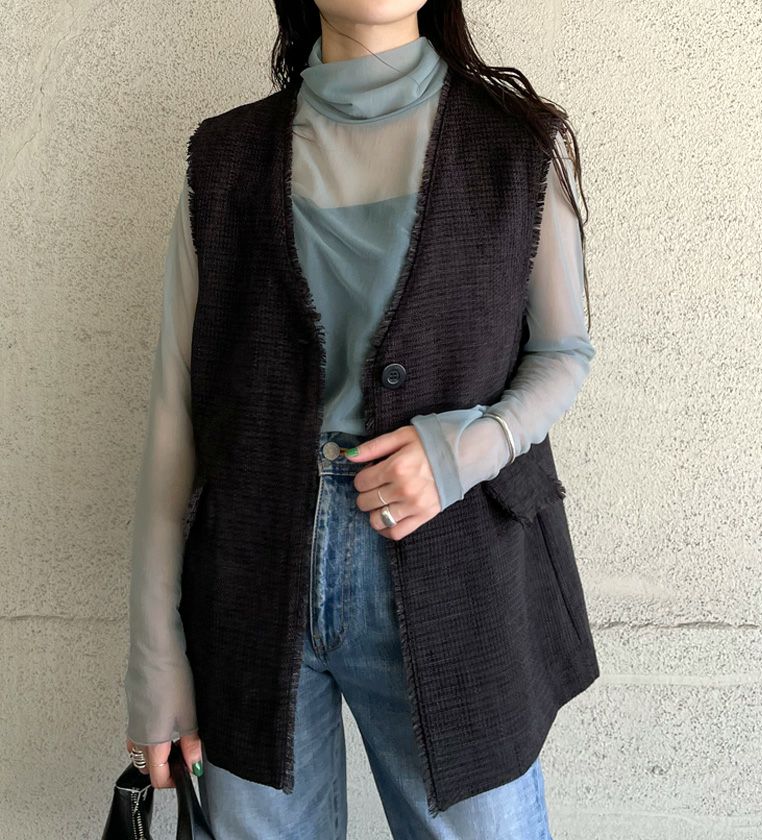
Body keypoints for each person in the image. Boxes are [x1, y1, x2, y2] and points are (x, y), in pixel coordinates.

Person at [123, 2, 599, 837]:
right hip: (248, 579)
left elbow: (563, 354)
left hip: (458, 565)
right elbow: (176, 416)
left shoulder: (517, 146)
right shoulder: (226, 160)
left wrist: (461, 452)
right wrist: (154, 653)